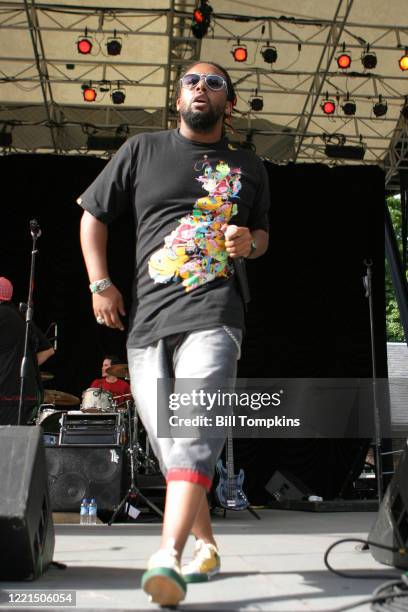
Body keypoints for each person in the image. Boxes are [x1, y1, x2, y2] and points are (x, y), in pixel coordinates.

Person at [77, 61, 270, 607]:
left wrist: (247, 245)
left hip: (215, 312)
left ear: (228, 104)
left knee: (194, 429)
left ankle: (167, 555)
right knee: (170, 442)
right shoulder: (142, 150)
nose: (201, 88)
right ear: (177, 96)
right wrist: (101, 284)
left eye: (214, 83)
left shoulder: (249, 165)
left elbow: (262, 235)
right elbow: (93, 215)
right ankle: (206, 542)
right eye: (191, 81)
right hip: (146, 323)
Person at [0, 276, 54, 426]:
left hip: (5, 395)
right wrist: (26, 368)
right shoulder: (21, 316)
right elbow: (48, 350)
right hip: (26, 395)